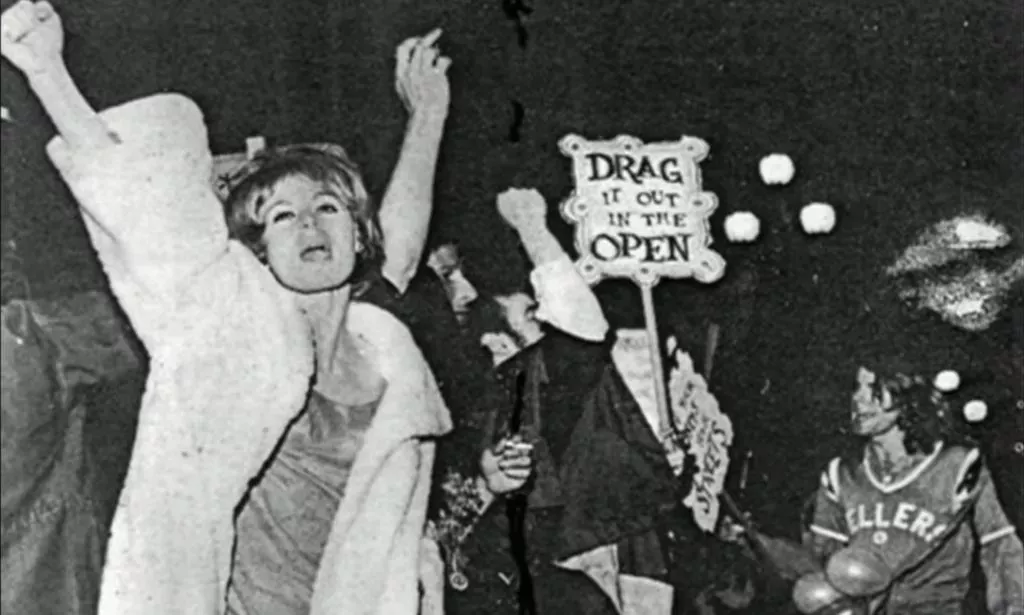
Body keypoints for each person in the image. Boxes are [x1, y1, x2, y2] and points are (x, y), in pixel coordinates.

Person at [0, 3, 529, 613]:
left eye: (328, 207)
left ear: (358, 235)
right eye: (282, 215)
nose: (309, 221)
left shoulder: (386, 354)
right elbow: (145, 209)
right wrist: (47, 72)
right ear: (258, 251)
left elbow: (400, 256)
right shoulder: (233, 324)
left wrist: (430, 110)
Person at [452, 188, 681, 615]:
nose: (548, 319)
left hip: (612, 550)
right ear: (495, 340)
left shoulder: (535, 379)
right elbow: (582, 326)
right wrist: (531, 226)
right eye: (533, 315)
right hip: (577, 554)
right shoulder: (519, 377)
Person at [795, 365, 1024, 615]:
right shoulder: (841, 473)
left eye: (873, 388)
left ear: (907, 396)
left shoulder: (959, 465)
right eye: (856, 387)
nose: (858, 398)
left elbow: (1002, 549)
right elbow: (820, 561)